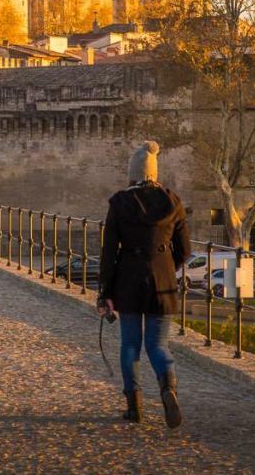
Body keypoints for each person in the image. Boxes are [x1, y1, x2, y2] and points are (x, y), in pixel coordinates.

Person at [96, 140, 191, 427]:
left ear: (132, 173)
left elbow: (109, 252)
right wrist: (166, 267)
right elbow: (185, 251)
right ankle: (168, 390)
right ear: (154, 171)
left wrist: (105, 292)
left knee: (130, 344)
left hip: (127, 281)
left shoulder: (119, 202)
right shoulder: (173, 202)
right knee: (158, 344)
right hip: (161, 281)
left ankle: (134, 406)